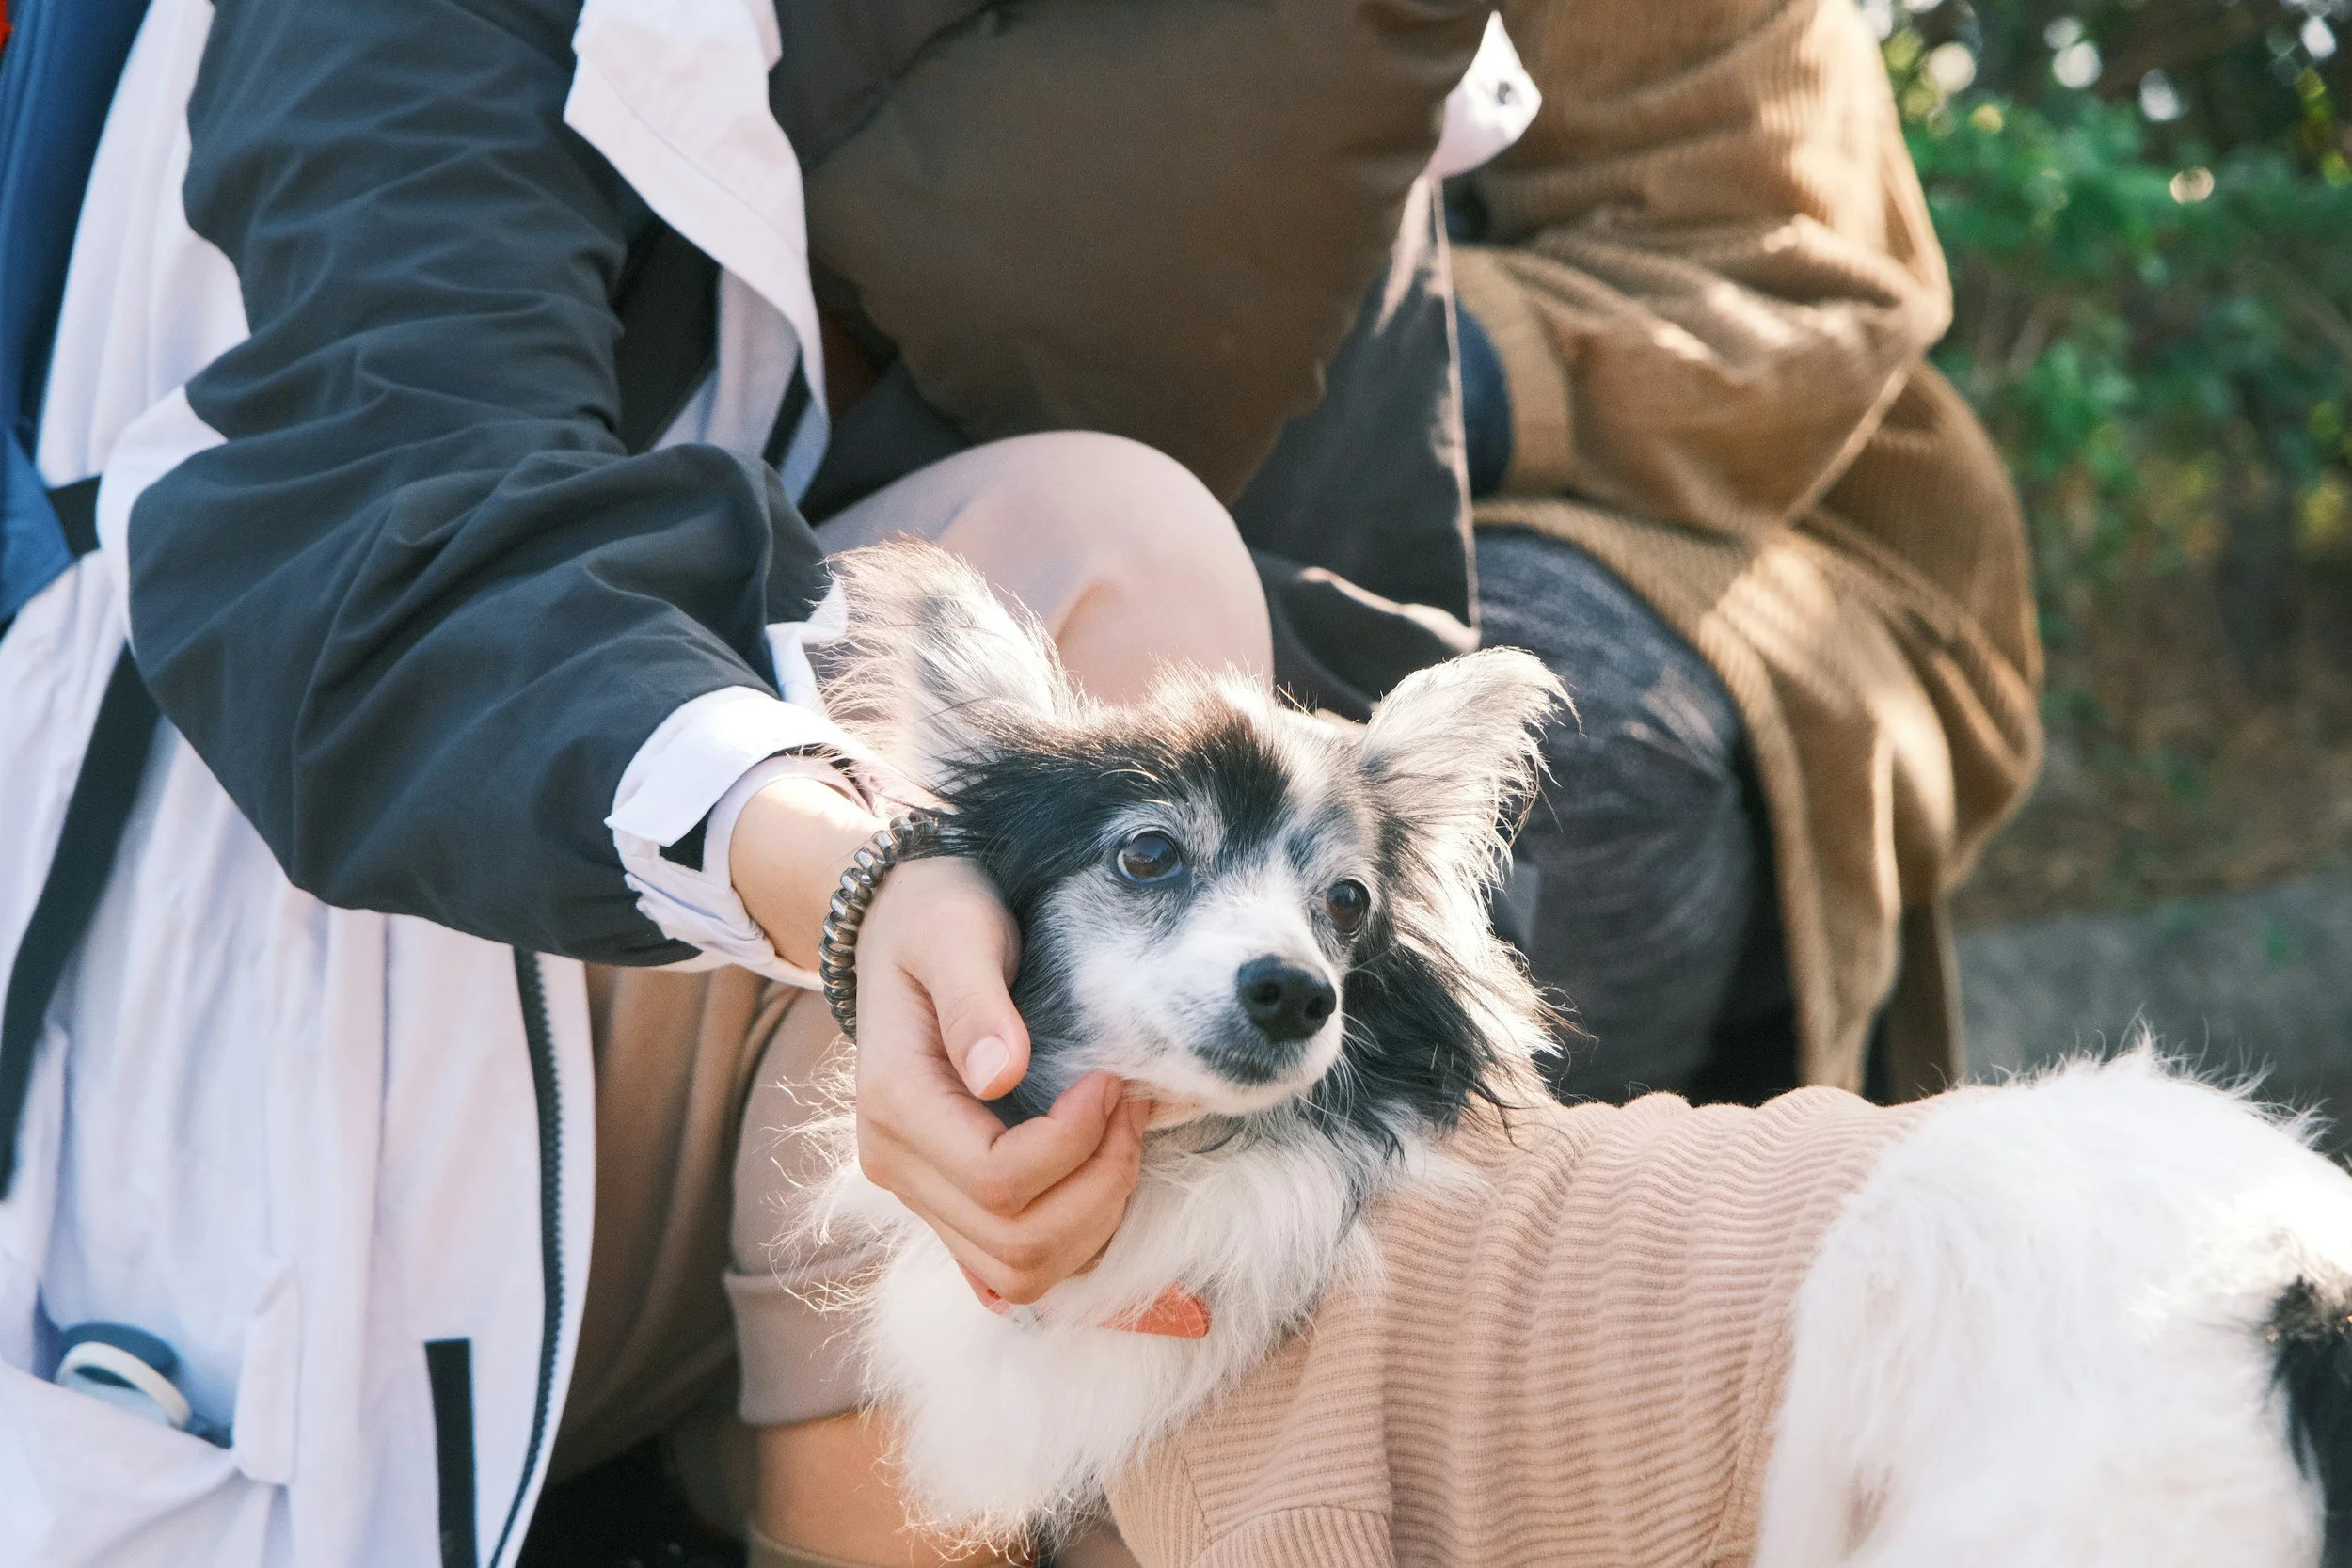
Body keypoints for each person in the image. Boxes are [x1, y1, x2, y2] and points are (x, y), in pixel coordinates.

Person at [0, 1, 1519, 1565]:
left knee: (1131, 582)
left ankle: (846, 1466)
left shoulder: (1316, 48)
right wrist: (856, 878)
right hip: (331, 1023)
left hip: (779, 1136)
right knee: (1079, 570)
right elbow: (395, 540)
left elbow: (1344, 703)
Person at [1451, 0, 2044, 1106]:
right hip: (1082, 514)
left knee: (1540, 720)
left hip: (1739, 526)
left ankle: (1510, 1236)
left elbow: (1763, 273)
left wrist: (1350, 374)